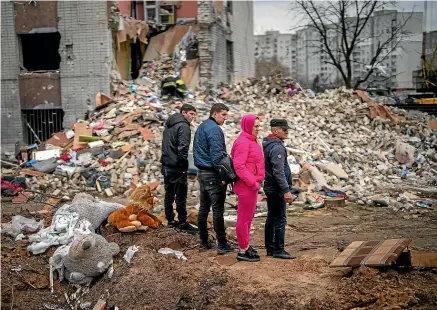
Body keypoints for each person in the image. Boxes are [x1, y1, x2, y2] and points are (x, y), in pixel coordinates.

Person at [193, 103, 234, 254]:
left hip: (202, 173)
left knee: (204, 208)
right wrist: (224, 176)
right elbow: (217, 156)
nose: (226, 118)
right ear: (214, 114)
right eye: (223, 114)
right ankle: (222, 244)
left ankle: (203, 242)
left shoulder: (202, 126)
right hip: (212, 173)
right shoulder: (214, 129)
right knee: (217, 210)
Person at [231, 115, 265, 262]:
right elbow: (239, 166)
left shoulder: (251, 140)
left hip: (251, 185)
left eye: (259, 126)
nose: (258, 129)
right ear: (248, 126)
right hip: (247, 185)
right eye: (255, 126)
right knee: (244, 219)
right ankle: (242, 250)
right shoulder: (243, 142)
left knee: (248, 218)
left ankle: (245, 245)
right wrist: (253, 182)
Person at [160, 104, 197, 232]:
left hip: (166, 164)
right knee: (180, 195)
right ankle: (182, 222)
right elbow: (183, 148)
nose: (193, 117)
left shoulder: (169, 125)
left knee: (169, 194)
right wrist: (183, 166)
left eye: (194, 114)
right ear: (183, 113)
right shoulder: (184, 126)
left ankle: (170, 220)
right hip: (176, 166)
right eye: (191, 114)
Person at [262, 119, 296, 259]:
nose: (287, 131)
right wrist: (286, 190)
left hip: (271, 186)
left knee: (271, 217)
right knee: (280, 219)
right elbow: (278, 171)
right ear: (275, 131)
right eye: (284, 129)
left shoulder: (268, 143)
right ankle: (278, 249)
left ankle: (270, 248)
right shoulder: (277, 147)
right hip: (276, 188)